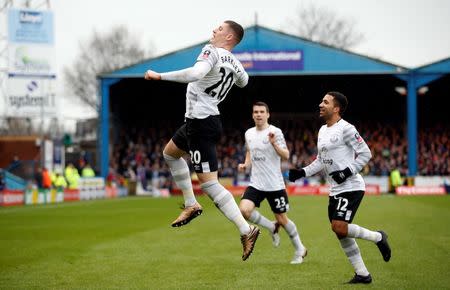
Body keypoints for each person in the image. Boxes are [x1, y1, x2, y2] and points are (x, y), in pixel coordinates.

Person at [144, 20, 260, 261]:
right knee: (170, 153)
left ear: (228, 37)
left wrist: (159, 76)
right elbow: (244, 80)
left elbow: (195, 73)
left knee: (210, 185)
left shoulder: (211, 51)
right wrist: (233, 69)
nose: (214, 30)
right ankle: (190, 203)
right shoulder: (234, 62)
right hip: (197, 122)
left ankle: (246, 230)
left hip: (201, 123)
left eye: (219, 29)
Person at [289, 91, 391, 284]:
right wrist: (302, 172)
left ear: (336, 108)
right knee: (340, 231)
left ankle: (378, 237)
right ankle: (362, 274)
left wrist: (347, 171)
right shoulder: (322, 131)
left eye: (325, 102)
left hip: (351, 186)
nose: (320, 104)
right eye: (321, 101)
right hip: (335, 189)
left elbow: (365, 153)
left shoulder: (347, 129)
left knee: (339, 226)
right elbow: (321, 160)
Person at [238, 102, 307, 264]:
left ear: (268, 114)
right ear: (252, 114)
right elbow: (249, 150)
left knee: (282, 219)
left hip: (275, 184)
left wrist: (274, 144)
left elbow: (286, 156)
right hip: (256, 183)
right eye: (256, 112)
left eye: (262, 112)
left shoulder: (275, 132)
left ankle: (300, 249)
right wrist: (246, 164)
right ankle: (271, 227)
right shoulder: (248, 133)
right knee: (244, 210)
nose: (259, 114)